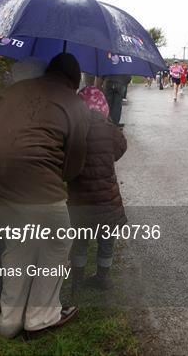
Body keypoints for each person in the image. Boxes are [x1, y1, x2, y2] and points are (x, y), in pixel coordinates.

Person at [0, 53, 89, 338]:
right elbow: (72, 166)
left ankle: (8, 322)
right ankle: (40, 316)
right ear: (74, 81)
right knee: (57, 242)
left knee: (20, 244)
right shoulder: (74, 102)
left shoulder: (14, 89)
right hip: (30, 177)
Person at [69, 85, 127, 292]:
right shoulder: (110, 130)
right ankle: (102, 278)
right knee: (106, 241)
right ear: (104, 108)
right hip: (107, 201)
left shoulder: (74, 130)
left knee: (81, 241)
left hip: (80, 201)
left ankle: (76, 281)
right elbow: (121, 148)